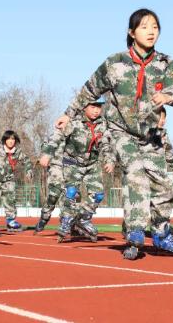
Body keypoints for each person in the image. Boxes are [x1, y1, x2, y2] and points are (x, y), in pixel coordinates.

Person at [54, 9, 173, 259]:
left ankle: (161, 233)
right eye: (144, 27)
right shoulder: (114, 63)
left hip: (150, 134)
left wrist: (168, 96)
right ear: (131, 32)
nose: (151, 31)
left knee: (162, 184)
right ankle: (135, 231)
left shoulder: (164, 62)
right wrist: (69, 113)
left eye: (155, 27)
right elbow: (89, 89)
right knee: (135, 172)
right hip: (121, 131)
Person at [37, 100, 114, 242]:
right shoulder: (73, 121)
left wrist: (109, 160)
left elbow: (106, 143)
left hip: (92, 164)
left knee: (98, 195)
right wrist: (47, 153)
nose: (96, 110)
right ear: (84, 107)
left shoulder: (103, 124)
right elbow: (57, 136)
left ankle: (84, 218)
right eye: (93, 107)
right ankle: (66, 220)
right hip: (73, 163)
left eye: (99, 107)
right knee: (71, 192)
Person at [0, 130, 32, 232]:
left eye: (13, 139)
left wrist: (29, 171)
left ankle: (11, 221)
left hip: (9, 180)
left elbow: (27, 161)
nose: (11, 141)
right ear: (5, 140)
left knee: (10, 200)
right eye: (9, 139)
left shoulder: (18, 152)